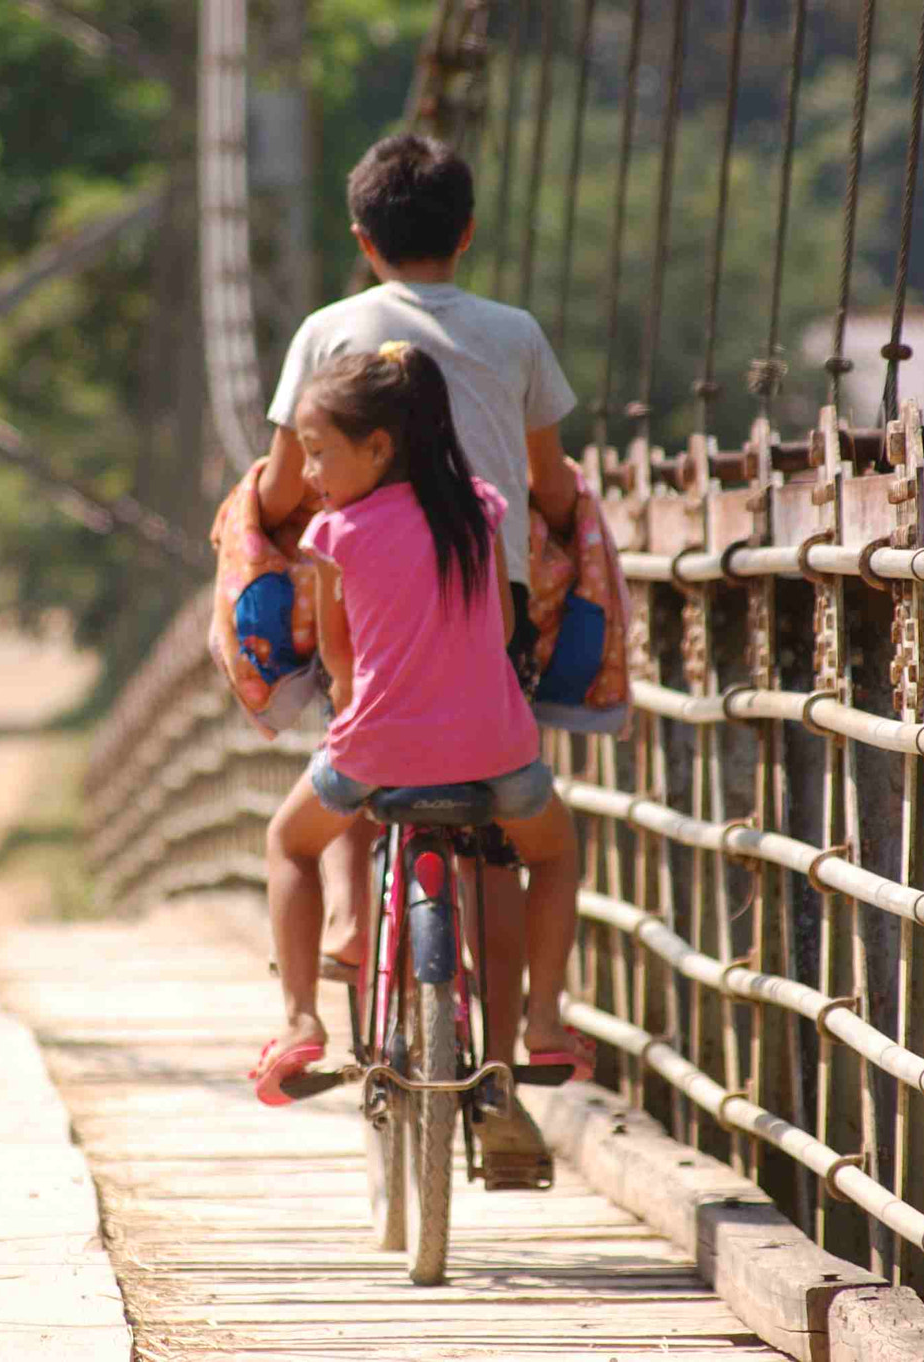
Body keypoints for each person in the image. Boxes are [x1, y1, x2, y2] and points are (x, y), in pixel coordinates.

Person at [254, 133, 582, 1084]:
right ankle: (537, 1030)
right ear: (467, 232)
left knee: (333, 756)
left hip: (375, 716)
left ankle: (316, 989)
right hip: (499, 637)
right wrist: (564, 527)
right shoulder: (511, 353)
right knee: (510, 852)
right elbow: (547, 485)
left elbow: (287, 498)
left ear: (362, 239)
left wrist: (260, 514)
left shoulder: (326, 337)